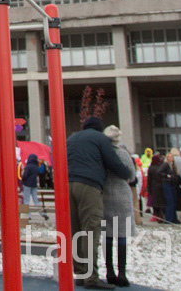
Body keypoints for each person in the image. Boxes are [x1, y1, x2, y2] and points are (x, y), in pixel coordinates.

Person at [65, 116, 133, 289]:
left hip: (68, 184)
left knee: (76, 230)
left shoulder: (71, 138)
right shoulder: (100, 139)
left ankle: (80, 273)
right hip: (89, 185)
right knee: (91, 229)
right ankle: (92, 278)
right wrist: (127, 174)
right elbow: (113, 161)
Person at [101, 125, 136, 288]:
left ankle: (109, 271)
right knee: (121, 235)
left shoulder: (101, 154)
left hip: (104, 194)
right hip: (121, 194)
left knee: (107, 235)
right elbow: (131, 175)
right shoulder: (123, 154)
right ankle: (122, 273)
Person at [19, 153, 47, 220]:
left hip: (27, 185)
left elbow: (25, 175)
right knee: (36, 200)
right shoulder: (36, 166)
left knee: (26, 200)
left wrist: (22, 179)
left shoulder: (28, 167)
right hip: (34, 185)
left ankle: (28, 215)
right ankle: (42, 214)